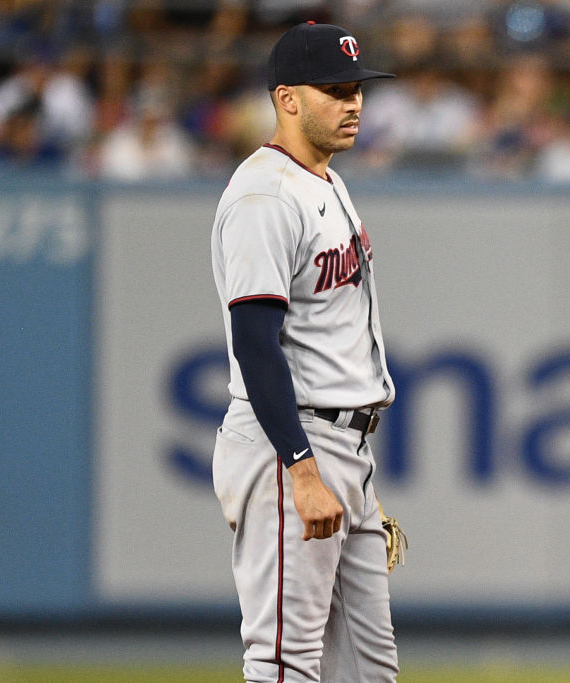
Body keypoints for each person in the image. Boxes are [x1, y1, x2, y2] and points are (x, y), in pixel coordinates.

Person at [210, 22, 399, 683]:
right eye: (335, 90)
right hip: (292, 444)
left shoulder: (324, 180)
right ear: (288, 99)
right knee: (285, 662)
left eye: (356, 90)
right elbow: (255, 342)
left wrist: (349, 475)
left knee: (368, 670)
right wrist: (303, 466)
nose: (353, 103)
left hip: (341, 444)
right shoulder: (264, 195)